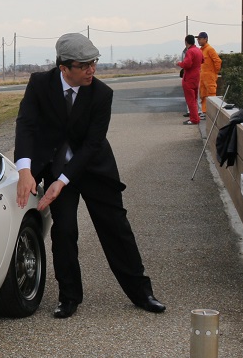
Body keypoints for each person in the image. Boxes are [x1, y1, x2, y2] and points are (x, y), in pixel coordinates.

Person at [14, 33, 165, 319]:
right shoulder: (39, 84)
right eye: (83, 65)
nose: (91, 70)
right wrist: (25, 170)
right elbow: (26, 126)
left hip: (94, 169)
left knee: (116, 229)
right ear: (63, 67)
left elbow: (92, 145)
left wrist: (62, 182)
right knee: (64, 231)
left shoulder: (102, 94)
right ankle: (69, 297)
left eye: (93, 62)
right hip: (55, 167)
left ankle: (142, 292)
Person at [177, 34, 203, 125]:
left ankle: (194, 119)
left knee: (190, 100)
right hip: (196, 77)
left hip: (189, 78)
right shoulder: (198, 50)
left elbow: (187, 64)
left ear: (186, 42)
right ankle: (196, 117)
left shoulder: (190, 51)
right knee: (194, 99)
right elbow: (202, 60)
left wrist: (179, 63)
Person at [196, 31, 222, 116]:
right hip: (202, 77)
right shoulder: (200, 50)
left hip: (209, 77)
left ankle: (212, 113)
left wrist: (214, 73)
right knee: (203, 95)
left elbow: (218, 61)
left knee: (211, 94)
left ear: (205, 39)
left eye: (200, 39)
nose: (198, 41)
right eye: (198, 39)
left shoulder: (210, 49)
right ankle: (204, 112)